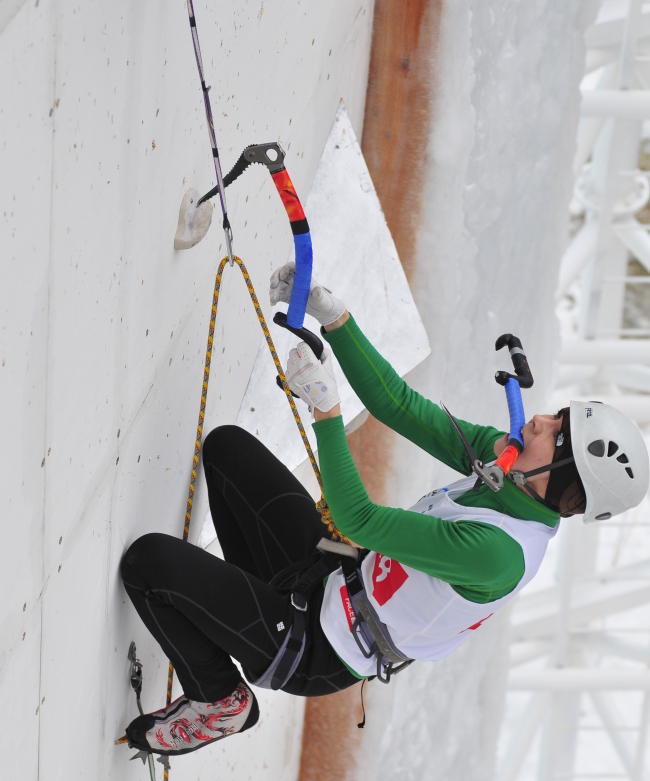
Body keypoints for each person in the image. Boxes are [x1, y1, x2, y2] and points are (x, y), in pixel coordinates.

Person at [119, 264, 649, 756]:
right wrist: (337, 318)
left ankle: (220, 703)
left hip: (318, 648)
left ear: (563, 486)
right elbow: (397, 404)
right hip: (331, 575)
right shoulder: (511, 468)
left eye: (555, 436)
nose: (538, 421)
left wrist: (326, 410)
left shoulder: (498, 555)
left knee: (149, 565)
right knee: (227, 450)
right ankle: (230, 613)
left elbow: (361, 520)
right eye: (558, 417)